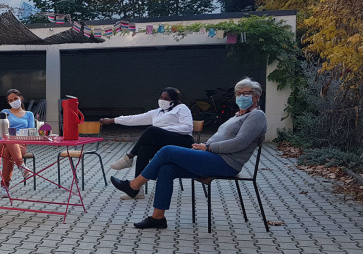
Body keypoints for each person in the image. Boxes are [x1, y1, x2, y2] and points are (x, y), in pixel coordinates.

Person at [110, 77, 266, 229]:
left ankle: (134, 185)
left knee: (167, 151)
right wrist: (203, 146)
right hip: (211, 157)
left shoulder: (257, 116)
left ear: (256, 97)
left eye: (246, 94)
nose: (241, 97)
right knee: (166, 169)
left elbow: (239, 143)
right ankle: (158, 218)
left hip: (225, 163)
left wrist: (209, 148)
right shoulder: (238, 116)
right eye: (238, 94)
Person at [100, 87, 194, 199]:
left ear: (173, 100)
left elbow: (188, 128)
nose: (162, 100)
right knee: (143, 149)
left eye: (166, 98)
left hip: (183, 141)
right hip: (165, 144)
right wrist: (112, 120)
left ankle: (129, 157)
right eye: (161, 97)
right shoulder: (157, 112)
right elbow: (135, 119)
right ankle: (135, 190)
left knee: (152, 130)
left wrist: (162, 130)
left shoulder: (181, 108)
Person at [0, 89, 34, 197]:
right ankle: (21, 165)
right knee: (9, 139)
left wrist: (17, 135)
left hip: (21, 144)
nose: (14, 101)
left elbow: (31, 131)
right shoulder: (5, 112)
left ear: (21, 98)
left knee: (8, 152)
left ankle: (5, 186)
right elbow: (0, 129)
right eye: (10, 100)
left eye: (15, 98)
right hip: (3, 142)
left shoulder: (29, 114)